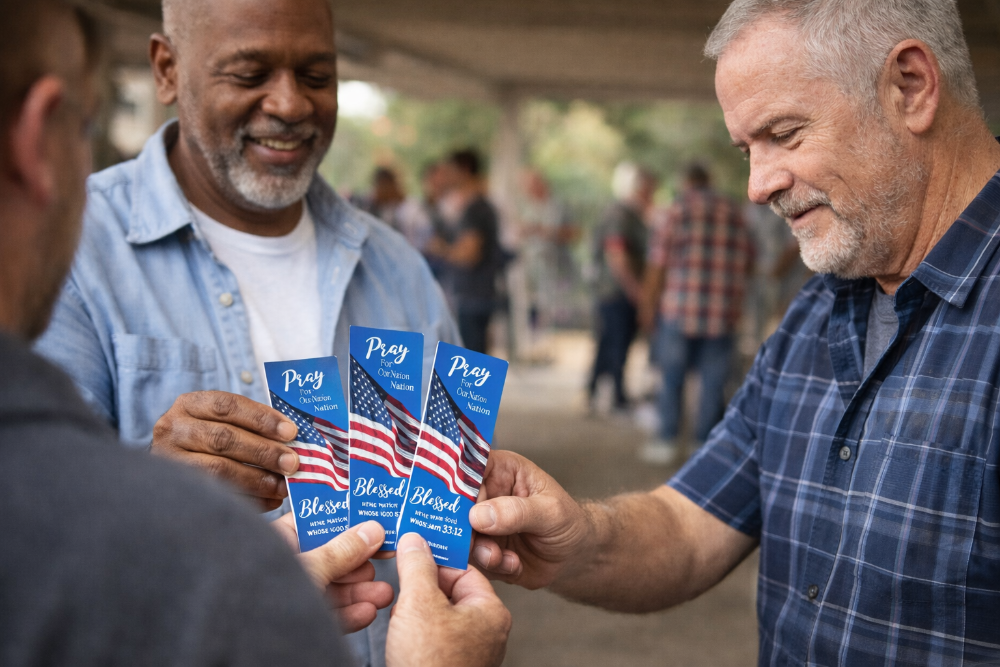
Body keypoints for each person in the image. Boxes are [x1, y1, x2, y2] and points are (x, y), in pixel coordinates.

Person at [468, 0, 1000, 663]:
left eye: (785, 133)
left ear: (911, 87)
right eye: (747, 148)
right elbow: (692, 527)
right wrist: (580, 535)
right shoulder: (815, 313)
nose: (757, 185)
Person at [0, 2, 510, 666]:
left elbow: (452, 514)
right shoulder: (67, 248)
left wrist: (483, 510)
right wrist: (149, 492)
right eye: (249, 73)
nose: (291, 103)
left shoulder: (401, 273)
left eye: (317, 74)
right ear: (166, 69)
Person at [639, 164, 753, 464]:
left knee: (672, 377)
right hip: (722, 312)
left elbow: (658, 264)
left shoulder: (676, 210)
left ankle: (666, 439)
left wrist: (647, 305)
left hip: (680, 309)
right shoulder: (734, 212)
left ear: (686, 182)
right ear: (709, 181)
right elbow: (751, 260)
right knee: (713, 383)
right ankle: (704, 443)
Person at [587, 162, 658, 412]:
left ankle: (594, 392)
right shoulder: (621, 213)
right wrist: (636, 290)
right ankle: (616, 397)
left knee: (608, 342)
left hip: (617, 290)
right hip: (616, 291)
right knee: (617, 344)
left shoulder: (632, 213)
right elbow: (616, 255)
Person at [424, 149, 502, 354]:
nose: (446, 177)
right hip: (471, 296)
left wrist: (442, 249)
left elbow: (469, 254)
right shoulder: (469, 206)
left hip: (473, 297)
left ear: (464, 170)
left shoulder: (477, 208)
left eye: (450, 170)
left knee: (470, 366)